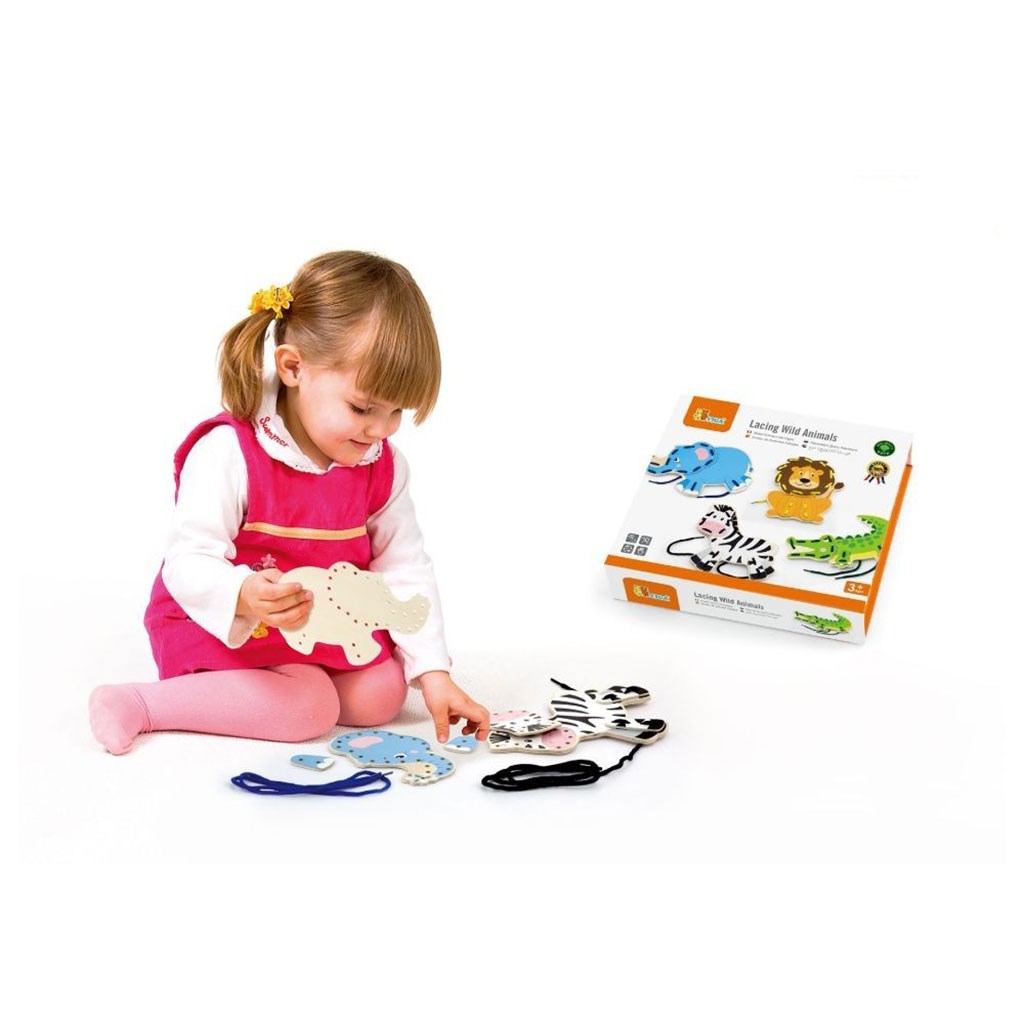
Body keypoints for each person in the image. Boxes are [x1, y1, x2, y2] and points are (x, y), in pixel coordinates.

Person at [89, 250, 490, 755]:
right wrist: (242, 593)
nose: (380, 430)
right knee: (308, 706)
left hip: (314, 626)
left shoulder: (381, 465)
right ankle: (140, 704)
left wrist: (433, 671)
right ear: (294, 367)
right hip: (224, 623)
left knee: (382, 693)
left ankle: (295, 681)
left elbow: (404, 566)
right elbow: (188, 560)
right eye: (362, 408)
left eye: (397, 412)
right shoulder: (230, 451)